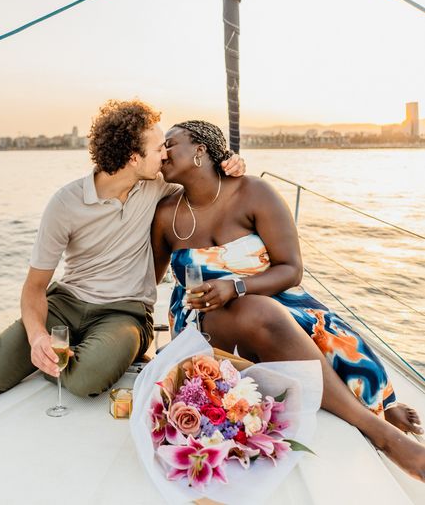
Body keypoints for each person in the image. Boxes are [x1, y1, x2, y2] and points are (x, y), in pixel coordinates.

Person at [151, 119, 425, 482]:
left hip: (273, 299)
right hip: (202, 318)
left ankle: (371, 405)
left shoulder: (253, 192)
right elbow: (147, 282)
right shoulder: (164, 213)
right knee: (262, 313)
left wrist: (236, 287)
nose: (162, 152)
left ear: (200, 150)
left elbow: (291, 269)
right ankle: (380, 432)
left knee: (270, 312)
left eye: (170, 143)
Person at [0, 101, 245, 404]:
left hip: (125, 314)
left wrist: (230, 163)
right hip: (64, 306)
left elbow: (207, 186)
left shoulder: (159, 186)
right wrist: (38, 337)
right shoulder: (66, 203)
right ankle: (68, 354)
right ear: (134, 158)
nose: (166, 154)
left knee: (85, 381)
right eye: (159, 148)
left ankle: (82, 356)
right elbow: (34, 288)